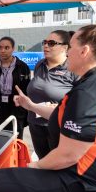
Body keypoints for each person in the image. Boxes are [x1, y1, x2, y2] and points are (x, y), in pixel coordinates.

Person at [0, 22, 96, 192]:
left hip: (88, 188)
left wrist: (33, 166)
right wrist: (31, 106)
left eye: (70, 47)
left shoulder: (89, 91)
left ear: (84, 51)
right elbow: (64, 114)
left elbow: (67, 156)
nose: (67, 53)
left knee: (0, 180)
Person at [27, 30, 78, 158]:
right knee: (42, 161)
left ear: (65, 47)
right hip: (36, 125)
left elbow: (78, 102)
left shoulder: (73, 68)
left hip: (58, 128)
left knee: (58, 167)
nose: (45, 46)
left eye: (51, 43)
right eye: (44, 42)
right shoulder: (40, 65)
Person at [0, 37, 30, 139]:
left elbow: (27, 90)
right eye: (0, 47)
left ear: (13, 49)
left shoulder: (23, 67)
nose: (3, 51)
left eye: (7, 48)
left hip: (16, 108)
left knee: (16, 140)